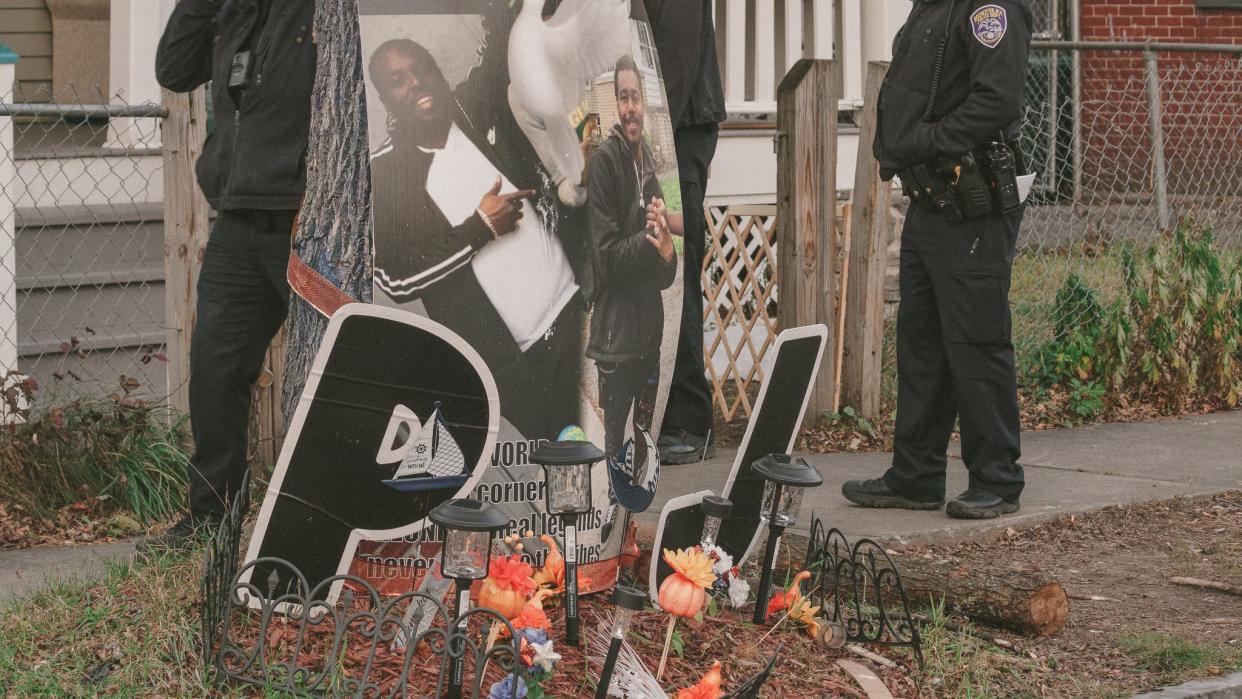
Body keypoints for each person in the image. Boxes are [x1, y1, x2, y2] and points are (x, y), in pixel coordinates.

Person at [842, 0, 1034, 519]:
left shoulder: (991, 7)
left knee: (976, 339)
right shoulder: (934, 5)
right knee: (922, 342)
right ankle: (917, 475)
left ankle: (996, 479)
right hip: (933, 200)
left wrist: (926, 142)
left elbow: (997, 101)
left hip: (971, 201)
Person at [140, 0, 317, 551]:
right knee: (216, 369)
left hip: (309, 218)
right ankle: (211, 518)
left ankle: (320, 521)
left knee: (325, 372)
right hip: (240, 220)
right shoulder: (234, 10)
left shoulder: (321, 10)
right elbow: (173, 69)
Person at [367, 31, 589, 440]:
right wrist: (480, 229)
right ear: (385, 100)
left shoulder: (472, 110)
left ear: (439, 74)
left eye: (422, 69)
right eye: (398, 80)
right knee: (561, 452)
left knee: (597, 450)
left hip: (574, 311)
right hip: (516, 360)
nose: (415, 82)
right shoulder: (388, 172)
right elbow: (395, 277)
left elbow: (502, 42)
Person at [643, 0, 727, 465]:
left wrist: (642, 145)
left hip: (674, 135)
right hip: (650, 135)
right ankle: (659, 416)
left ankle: (689, 423)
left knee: (674, 274)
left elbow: (672, 66)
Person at [587, 55, 678, 461]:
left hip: (649, 340)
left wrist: (666, 251)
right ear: (616, 105)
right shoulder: (605, 164)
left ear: (644, 101)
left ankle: (630, 523)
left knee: (643, 455)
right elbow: (606, 260)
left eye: (635, 97)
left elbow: (664, 276)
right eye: (622, 98)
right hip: (616, 342)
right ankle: (610, 521)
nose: (630, 107)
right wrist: (648, 237)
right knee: (613, 458)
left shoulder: (649, 169)